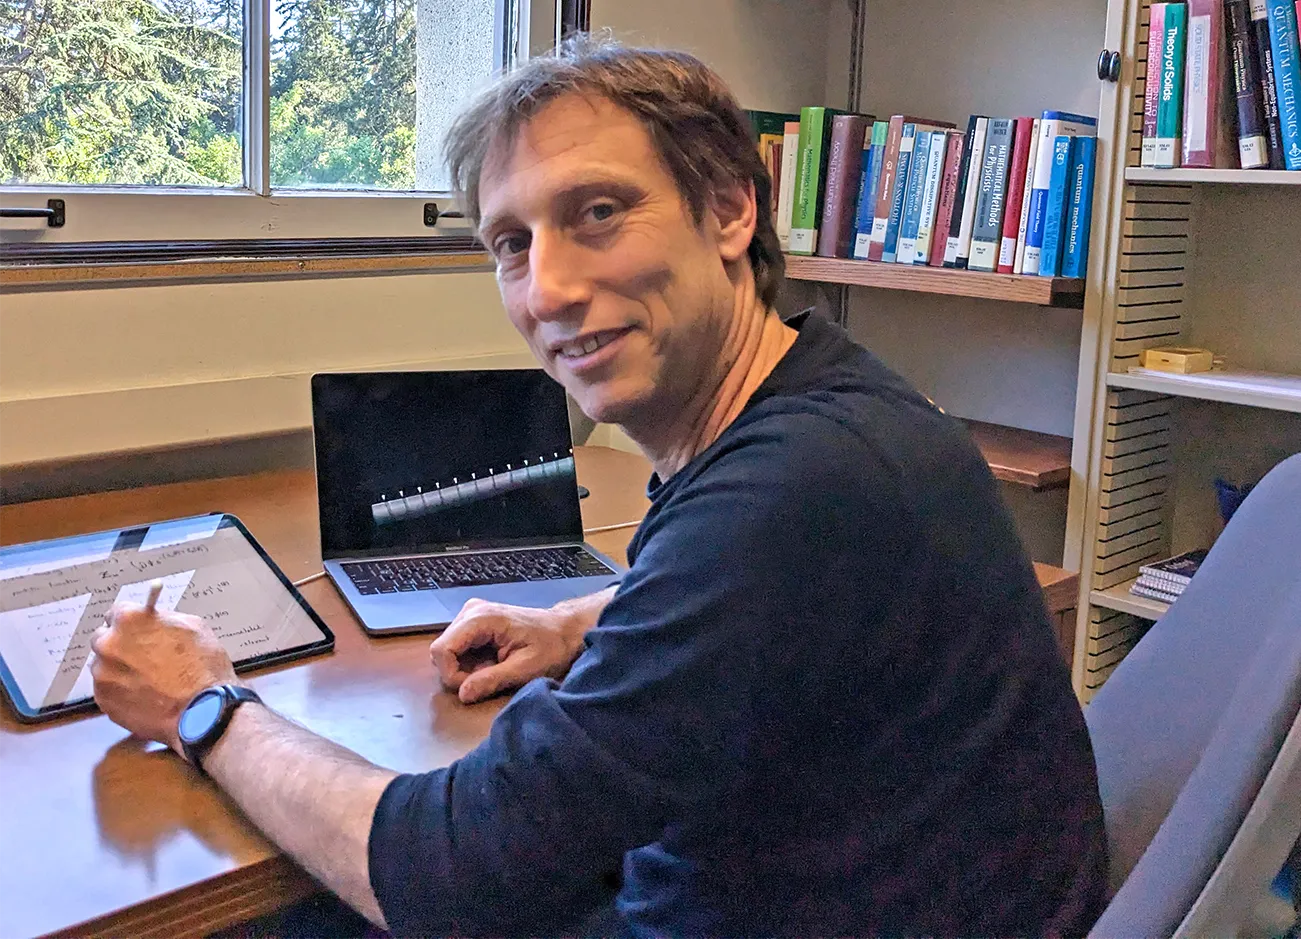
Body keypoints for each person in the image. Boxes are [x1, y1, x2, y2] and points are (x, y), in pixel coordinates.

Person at [91, 35, 1108, 938]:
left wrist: (206, 707)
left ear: (727, 209)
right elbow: (781, 602)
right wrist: (584, 622)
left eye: (599, 213)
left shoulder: (788, 495)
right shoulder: (827, 398)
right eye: (509, 244)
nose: (546, 290)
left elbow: (445, 876)